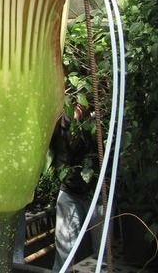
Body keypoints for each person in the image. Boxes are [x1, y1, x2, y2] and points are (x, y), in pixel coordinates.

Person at [51, 103, 102, 272]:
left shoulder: (100, 120)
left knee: (101, 251)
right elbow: (56, 149)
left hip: (97, 193)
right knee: (64, 250)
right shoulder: (62, 120)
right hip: (70, 190)